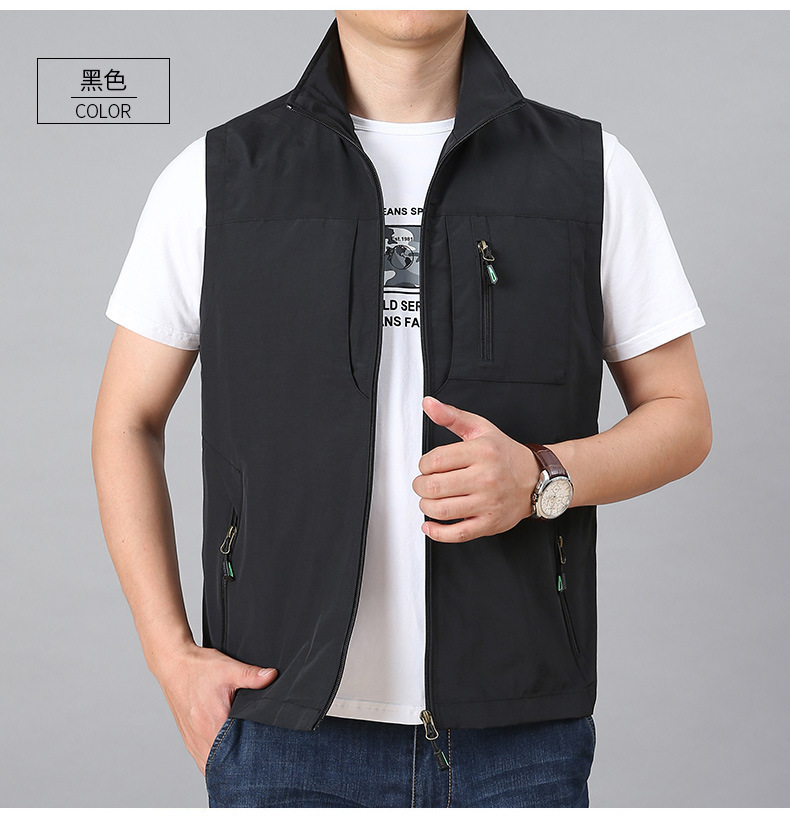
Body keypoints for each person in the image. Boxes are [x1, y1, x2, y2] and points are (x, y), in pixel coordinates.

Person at [91, 10, 712, 808]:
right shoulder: (218, 176)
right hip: (281, 727)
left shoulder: (588, 171)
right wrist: (168, 654)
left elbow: (681, 415)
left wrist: (540, 476)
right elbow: (126, 420)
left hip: (519, 735)